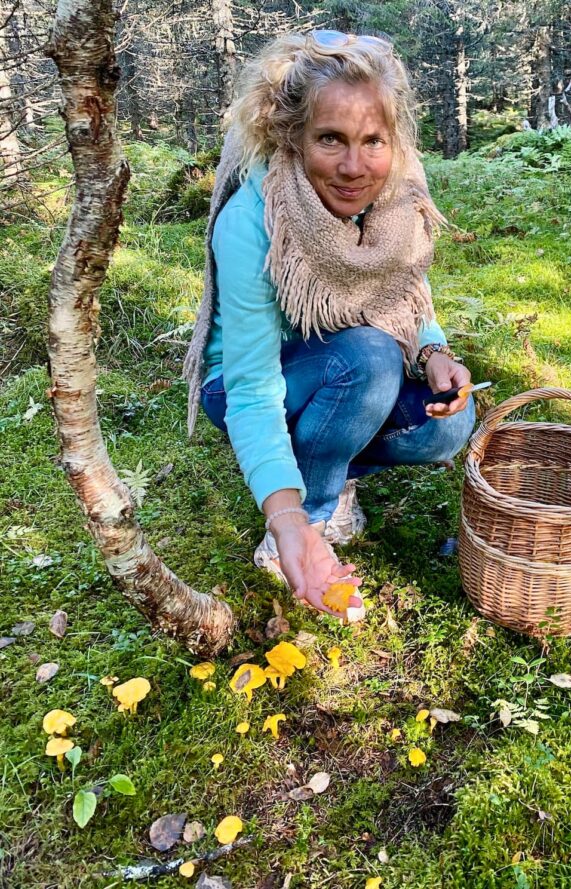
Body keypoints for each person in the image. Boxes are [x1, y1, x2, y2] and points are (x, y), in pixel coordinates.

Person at [182, 30, 476, 622]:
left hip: (346, 369)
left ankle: (331, 466)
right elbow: (252, 389)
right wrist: (291, 521)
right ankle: (308, 515)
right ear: (290, 135)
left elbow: (401, 293)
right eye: (330, 140)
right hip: (248, 386)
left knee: (449, 425)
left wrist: (433, 352)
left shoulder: (396, 200)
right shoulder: (255, 222)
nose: (353, 166)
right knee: (366, 358)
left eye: (373, 141)